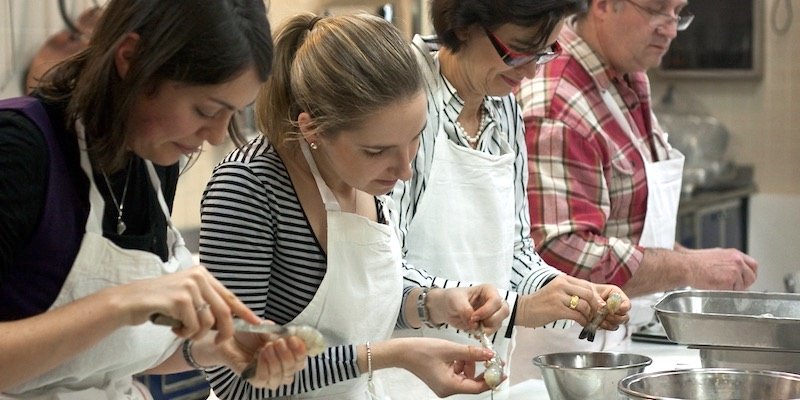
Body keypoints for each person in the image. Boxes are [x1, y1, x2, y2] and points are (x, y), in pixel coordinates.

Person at [0, 1, 311, 398]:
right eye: (206, 109)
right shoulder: (18, 151)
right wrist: (120, 303)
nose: (216, 136)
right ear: (131, 58)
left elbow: (101, 356)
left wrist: (217, 348)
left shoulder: (151, 159)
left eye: (230, 114)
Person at [199, 13, 509, 400]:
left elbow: (365, 306)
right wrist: (389, 355)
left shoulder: (364, 177)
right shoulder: (250, 187)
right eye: (376, 151)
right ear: (313, 129)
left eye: (414, 138)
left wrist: (434, 303)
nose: (405, 170)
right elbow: (235, 376)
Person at [381, 0, 631, 396]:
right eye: (518, 50)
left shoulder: (504, 106)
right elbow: (383, 272)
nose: (531, 72)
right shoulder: (402, 96)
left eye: (545, 52)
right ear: (464, 25)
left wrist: (565, 292)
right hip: (403, 381)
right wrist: (519, 310)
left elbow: (513, 248)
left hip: (481, 372)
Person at [517, 0, 759, 353]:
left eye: (678, 13)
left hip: (613, 333)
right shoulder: (559, 103)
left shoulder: (627, 75)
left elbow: (625, 227)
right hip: (564, 349)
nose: (671, 28)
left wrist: (697, 262)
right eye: (657, 10)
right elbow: (560, 251)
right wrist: (687, 267)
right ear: (603, 5)